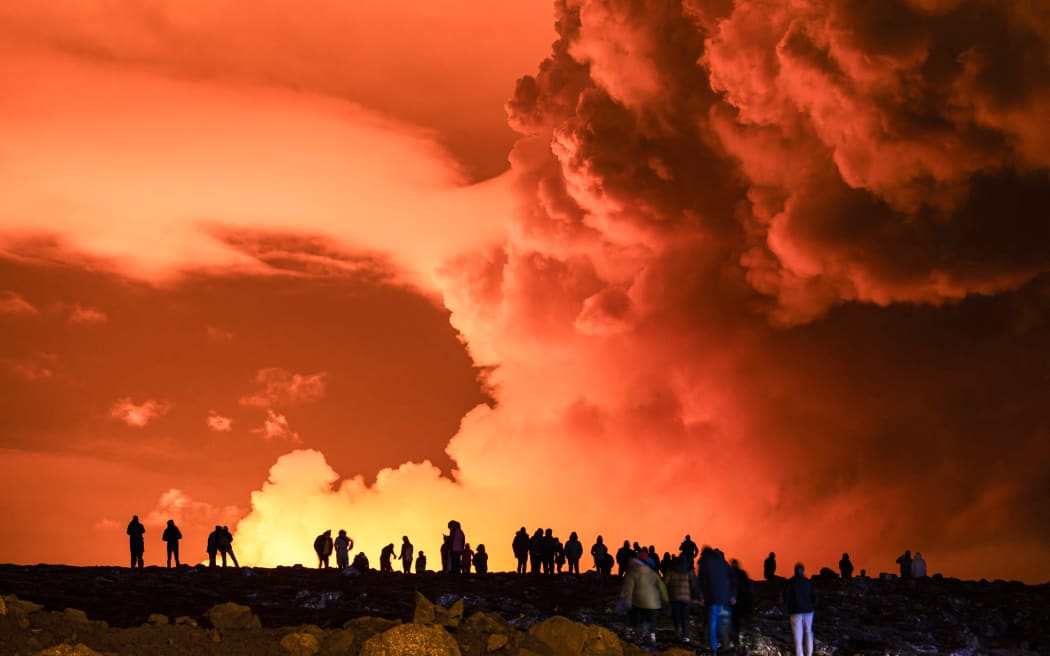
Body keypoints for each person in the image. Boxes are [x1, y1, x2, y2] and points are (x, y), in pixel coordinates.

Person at [620, 551, 668, 644]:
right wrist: (665, 599)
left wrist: (627, 601)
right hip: (653, 602)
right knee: (652, 620)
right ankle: (652, 635)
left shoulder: (633, 573)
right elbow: (661, 586)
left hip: (639, 602)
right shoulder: (652, 573)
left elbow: (628, 588)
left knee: (639, 620)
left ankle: (639, 637)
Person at [697, 547, 735, 653]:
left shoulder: (704, 562)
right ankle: (726, 646)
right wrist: (732, 595)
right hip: (725, 598)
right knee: (724, 623)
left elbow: (701, 581)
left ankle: (714, 649)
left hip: (712, 599)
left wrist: (700, 595)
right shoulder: (723, 563)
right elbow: (732, 578)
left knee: (712, 624)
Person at [783, 563, 817, 656]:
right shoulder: (808, 582)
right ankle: (809, 653)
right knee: (808, 632)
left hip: (795, 611)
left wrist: (787, 608)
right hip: (808, 611)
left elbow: (786, 597)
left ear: (795, 571)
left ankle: (800, 654)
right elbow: (814, 596)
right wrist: (812, 606)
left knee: (797, 634)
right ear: (803, 571)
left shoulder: (791, 582)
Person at [663, 555, 697, 643]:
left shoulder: (671, 570)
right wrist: (694, 595)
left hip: (674, 596)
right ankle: (686, 636)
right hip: (686, 597)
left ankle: (678, 633)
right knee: (685, 617)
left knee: (676, 616)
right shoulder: (689, 571)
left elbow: (665, 582)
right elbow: (693, 584)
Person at [730, 558, 754, 648]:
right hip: (742, 601)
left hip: (733, 601)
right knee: (738, 622)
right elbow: (748, 587)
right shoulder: (743, 574)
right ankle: (738, 640)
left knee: (732, 621)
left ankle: (734, 640)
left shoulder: (731, 574)